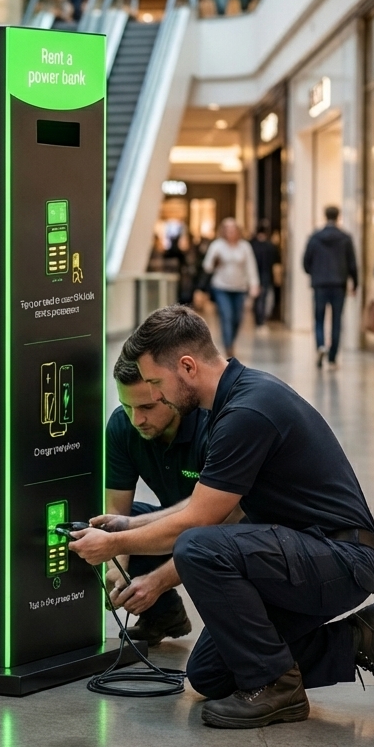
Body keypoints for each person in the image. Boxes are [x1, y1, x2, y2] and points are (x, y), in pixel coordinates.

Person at [69, 306, 374, 729]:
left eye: (157, 383)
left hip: (339, 558)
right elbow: (209, 506)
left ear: (188, 367)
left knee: (197, 546)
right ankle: (362, 638)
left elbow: (200, 520)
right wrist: (127, 525)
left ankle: (278, 689)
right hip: (298, 554)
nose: (156, 396)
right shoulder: (235, 402)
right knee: (210, 673)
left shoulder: (247, 410)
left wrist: (115, 546)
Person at [90, 340, 212, 646]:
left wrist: (155, 583)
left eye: (146, 407)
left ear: (169, 394)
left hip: (226, 530)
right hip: (176, 524)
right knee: (94, 529)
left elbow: (217, 520)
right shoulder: (122, 427)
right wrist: (116, 568)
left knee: (210, 671)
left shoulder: (210, 425)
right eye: (127, 406)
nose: (136, 419)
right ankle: (164, 615)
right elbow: (117, 513)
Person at [303, 205, 358, 368]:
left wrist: (314, 273)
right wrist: (355, 282)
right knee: (336, 320)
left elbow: (306, 261)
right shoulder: (345, 238)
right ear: (338, 216)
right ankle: (333, 357)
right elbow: (352, 263)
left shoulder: (315, 237)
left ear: (325, 216)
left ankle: (320, 345)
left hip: (320, 284)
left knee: (319, 318)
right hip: (339, 284)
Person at [202, 218, 259, 357]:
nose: (230, 232)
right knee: (226, 316)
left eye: (233, 229)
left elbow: (251, 266)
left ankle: (231, 340)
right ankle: (228, 346)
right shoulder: (217, 245)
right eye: (227, 229)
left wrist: (254, 284)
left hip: (239, 288)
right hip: (221, 286)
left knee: (237, 318)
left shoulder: (244, 246)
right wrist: (215, 260)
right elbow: (207, 267)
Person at [249, 219, 280, 328]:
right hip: (266, 274)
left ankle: (258, 319)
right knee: (262, 298)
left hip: (255, 274)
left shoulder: (252, 245)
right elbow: (276, 261)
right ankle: (260, 320)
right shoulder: (270, 246)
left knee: (257, 298)